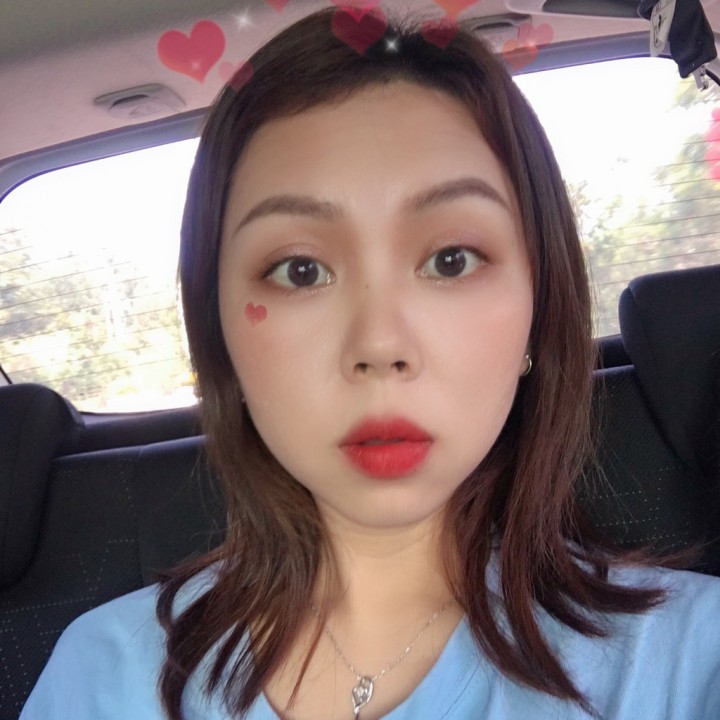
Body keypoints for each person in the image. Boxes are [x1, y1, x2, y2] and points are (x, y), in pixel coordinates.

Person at [19, 8, 720, 720]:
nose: (380, 345)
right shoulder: (103, 675)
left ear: (538, 310)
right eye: (299, 270)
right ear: (218, 328)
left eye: (452, 259)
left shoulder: (686, 660)